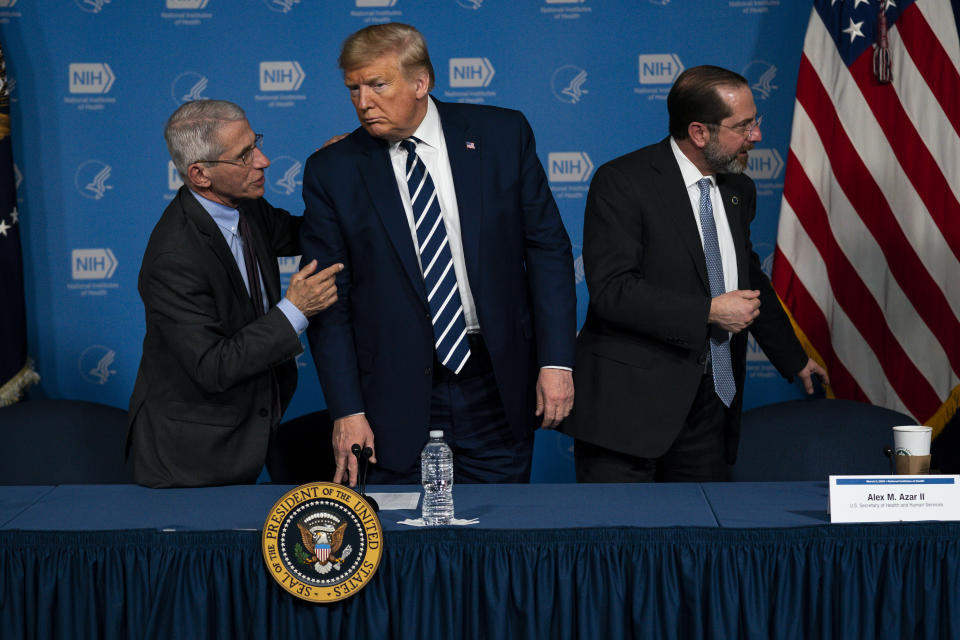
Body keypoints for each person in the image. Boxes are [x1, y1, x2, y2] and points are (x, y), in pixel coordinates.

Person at [300, 23, 577, 486]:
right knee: (401, 548)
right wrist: (347, 410)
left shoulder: (502, 134)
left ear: (420, 82)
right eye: (354, 88)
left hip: (495, 384)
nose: (363, 101)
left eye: (378, 84)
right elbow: (331, 303)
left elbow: (547, 250)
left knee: (499, 541)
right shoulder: (333, 170)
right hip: (392, 400)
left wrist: (556, 361)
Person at [560, 66, 828, 483]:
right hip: (628, 411)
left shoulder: (740, 189)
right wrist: (707, 311)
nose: (756, 136)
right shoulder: (623, 182)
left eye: (755, 122)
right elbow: (613, 291)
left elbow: (748, 278)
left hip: (710, 407)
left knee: (697, 543)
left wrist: (794, 357)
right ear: (700, 133)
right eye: (743, 126)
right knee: (625, 543)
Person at [127, 99, 341, 488]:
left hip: (251, 429)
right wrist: (295, 310)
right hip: (190, 457)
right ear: (200, 174)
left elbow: (306, 233)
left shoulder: (246, 207)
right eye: (244, 155)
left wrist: (337, 169)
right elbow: (213, 365)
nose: (263, 160)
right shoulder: (174, 257)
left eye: (255, 143)